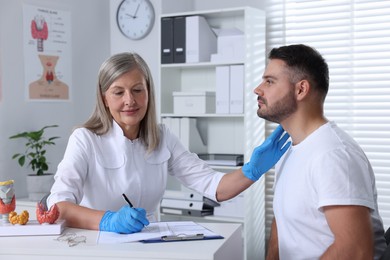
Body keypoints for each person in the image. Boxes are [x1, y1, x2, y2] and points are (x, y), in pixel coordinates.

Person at [47, 52, 290, 234]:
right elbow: (58, 206)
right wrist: (107, 221)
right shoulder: (85, 139)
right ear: (104, 98)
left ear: (149, 92)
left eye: (137, 90)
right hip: (98, 246)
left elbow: (214, 186)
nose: (130, 100)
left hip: (149, 244)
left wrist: (253, 169)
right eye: (118, 92)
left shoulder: (162, 137)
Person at [255, 44, 387, 260]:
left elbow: (354, 251)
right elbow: (283, 227)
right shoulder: (290, 150)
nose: (258, 89)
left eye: (269, 81)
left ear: (301, 89)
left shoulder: (333, 155)